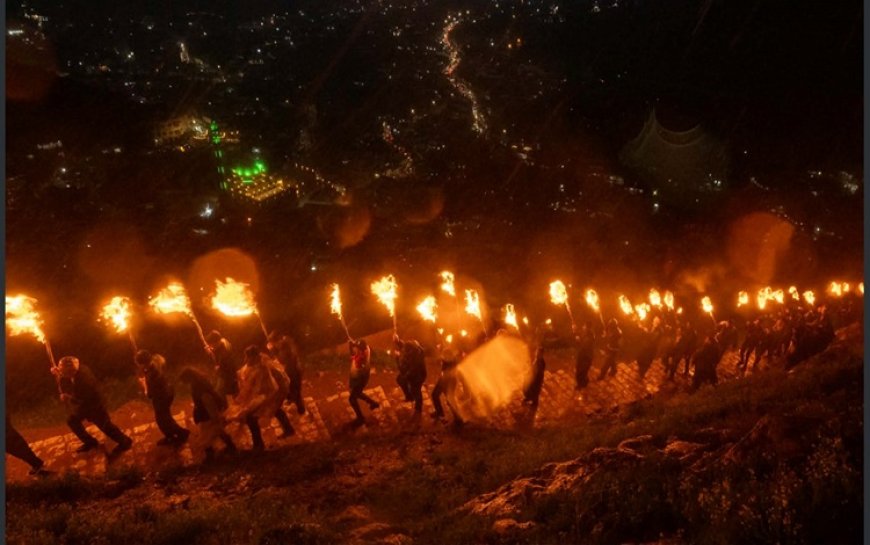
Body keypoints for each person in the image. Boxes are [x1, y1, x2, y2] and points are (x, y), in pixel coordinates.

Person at [54, 356, 132, 456]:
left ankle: (125, 442)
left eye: (64, 371)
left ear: (70, 371)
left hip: (94, 406)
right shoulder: (80, 368)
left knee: (106, 426)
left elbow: (79, 398)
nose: (63, 373)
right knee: (72, 421)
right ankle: (90, 442)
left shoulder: (82, 381)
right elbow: (67, 376)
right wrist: (59, 373)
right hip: (86, 405)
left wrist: (66, 397)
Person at [178, 367, 237, 462]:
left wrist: (214, 416)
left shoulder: (199, 387)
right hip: (206, 413)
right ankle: (231, 447)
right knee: (217, 431)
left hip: (207, 414)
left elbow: (208, 401)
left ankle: (211, 456)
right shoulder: (199, 383)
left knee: (205, 438)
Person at [135, 350, 189, 446]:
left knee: (162, 419)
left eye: (139, 364)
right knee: (165, 417)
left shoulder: (152, 376)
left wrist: (143, 384)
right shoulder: (156, 360)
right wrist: (145, 371)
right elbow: (148, 369)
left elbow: (150, 395)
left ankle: (181, 434)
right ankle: (172, 435)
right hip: (168, 390)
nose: (138, 366)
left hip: (162, 397)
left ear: (143, 364)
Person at [233, 345, 280, 451]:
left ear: (254, 357)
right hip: (257, 396)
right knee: (250, 418)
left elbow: (257, 387)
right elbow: (244, 377)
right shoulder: (250, 366)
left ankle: (258, 444)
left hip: (266, 395)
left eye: (249, 357)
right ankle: (258, 443)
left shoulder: (262, 368)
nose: (247, 359)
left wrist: (247, 399)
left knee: (251, 417)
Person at [267, 331, 305, 415]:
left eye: (274, 343)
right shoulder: (287, 343)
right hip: (294, 370)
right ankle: (300, 409)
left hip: (292, 371)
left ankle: (300, 410)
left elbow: (282, 359)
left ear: (277, 340)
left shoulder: (284, 346)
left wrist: (272, 350)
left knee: (294, 390)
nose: (274, 345)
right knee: (295, 390)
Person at [393, 334, 427, 417]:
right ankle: (409, 397)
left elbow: (404, 369)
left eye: (405, 350)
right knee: (399, 379)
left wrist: (397, 358)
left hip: (418, 377)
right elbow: (404, 345)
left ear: (410, 351)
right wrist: (397, 341)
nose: (403, 350)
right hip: (412, 373)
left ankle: (418, 409)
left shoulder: (414, 360)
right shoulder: (414, 350)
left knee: (416, 391)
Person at [348, 339, 380, 427]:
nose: (356, 349)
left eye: (357, 348)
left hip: (360, 379)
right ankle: (373, 403)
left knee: (352, 399)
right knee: (358, 393)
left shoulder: (361, 357)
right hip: (361, 377)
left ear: (361, 349)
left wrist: (351, 346)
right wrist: (352, 344)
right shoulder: (366, 349)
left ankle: (360, 418)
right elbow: (355, 353)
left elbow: (353, 357)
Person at [431, 345, 463, 425]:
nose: (443, 356)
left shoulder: (451, 362)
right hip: (444, 380)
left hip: (449, 381)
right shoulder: (449, 359)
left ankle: (459, 419)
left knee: (449, 400)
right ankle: (439, 412)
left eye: (444, 354)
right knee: (435, 395)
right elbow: (441, 359)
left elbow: (445, 362)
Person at [206, 330, 239, 401]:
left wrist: (219, 367)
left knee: (220, 392)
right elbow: (217, 352)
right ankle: (227, 407)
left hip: (228, 374)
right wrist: (211, 351)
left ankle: (226, 407)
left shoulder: (225, 350)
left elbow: (225, 362)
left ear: (217, 342)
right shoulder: (222, 344)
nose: (211, 346)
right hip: (225, 374)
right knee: (226, 392)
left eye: (212, 344)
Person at [573, 323, 596, 390]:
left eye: (584, 326)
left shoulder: (589, 338)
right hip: (586, 357)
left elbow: (583, 347)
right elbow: (582, 339)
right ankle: (584, 382)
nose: (583, 326)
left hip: (585, 357)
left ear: (587, 328)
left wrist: (578, 341)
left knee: (580, 372)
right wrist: (575, 331)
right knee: (583, 371)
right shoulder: (588, 334)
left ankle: (580, 385)